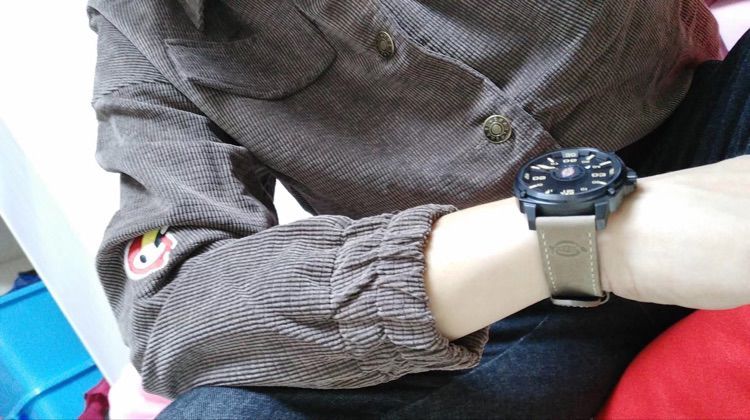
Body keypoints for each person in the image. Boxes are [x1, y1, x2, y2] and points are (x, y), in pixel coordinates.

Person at [85, 0, 749, 418]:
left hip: (709, 124)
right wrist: (579, 238)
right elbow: (170, 302)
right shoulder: (140, 22)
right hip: (490, 300)